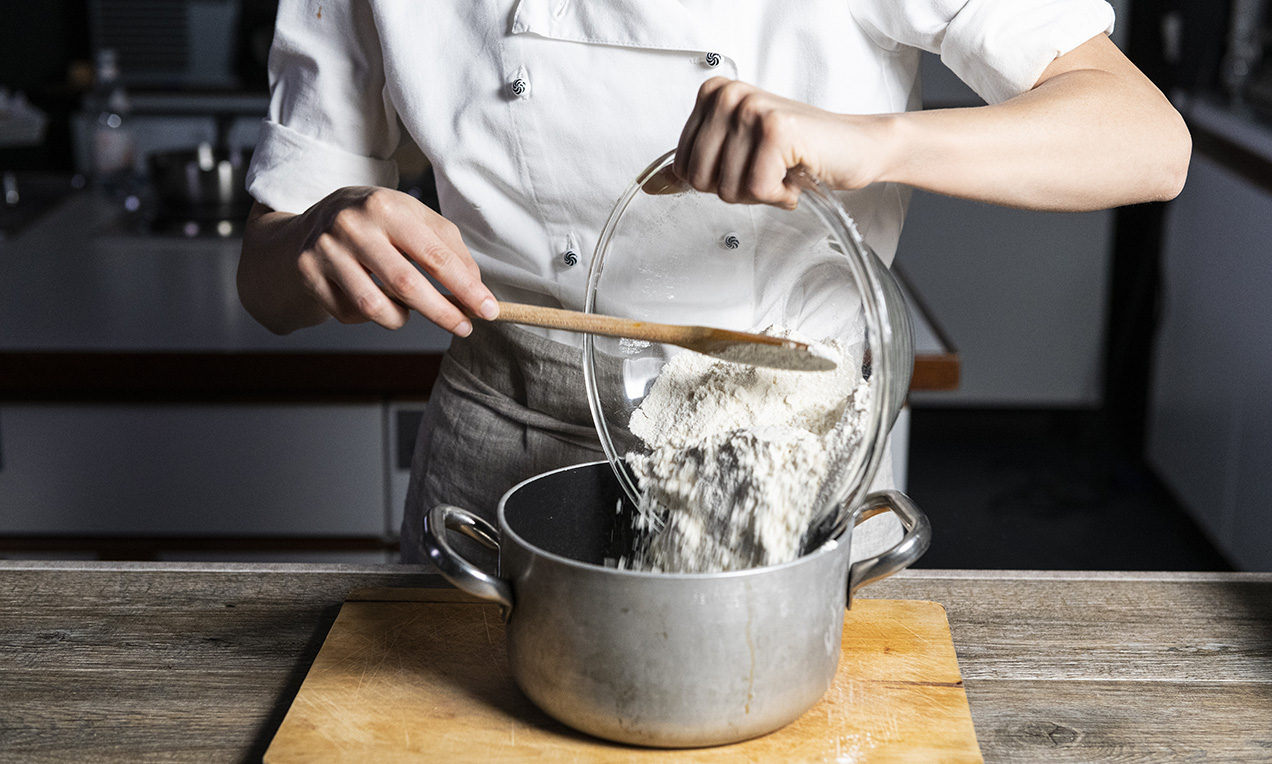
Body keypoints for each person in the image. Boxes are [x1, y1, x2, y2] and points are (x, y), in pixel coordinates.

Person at [239, 1, 1190, 563]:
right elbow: (266, 282)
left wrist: (873, 142)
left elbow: (1147, 140)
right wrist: (316, 238)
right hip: (497, 461)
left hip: (789, 457)